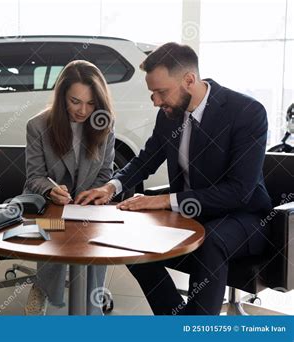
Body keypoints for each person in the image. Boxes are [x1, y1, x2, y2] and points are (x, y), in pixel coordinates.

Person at [75, 42, 272, 315]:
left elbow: (240, 192)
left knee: (210, 240)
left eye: (161, 92)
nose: (155, 100)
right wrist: (111, 186)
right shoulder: (169, 116)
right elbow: (146, 159)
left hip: (245, 217)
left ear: (189, 80)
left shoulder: (246, 112)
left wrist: (165, 201)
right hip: (192, 214)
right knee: (129, 238)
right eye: (152, 92)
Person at [23, 60, 115, 315]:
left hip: (87, 208)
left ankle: (92, 307)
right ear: (62, 96)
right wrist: (50, 190)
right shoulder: (38, 126)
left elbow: (106, 174)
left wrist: (95, 193)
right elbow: (34, 176)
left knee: (95, 239)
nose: (83, 110)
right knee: (53, 232)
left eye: (91, 103)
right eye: (75, 101)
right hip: (51, 206)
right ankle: (43, 290)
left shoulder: (105, 124)